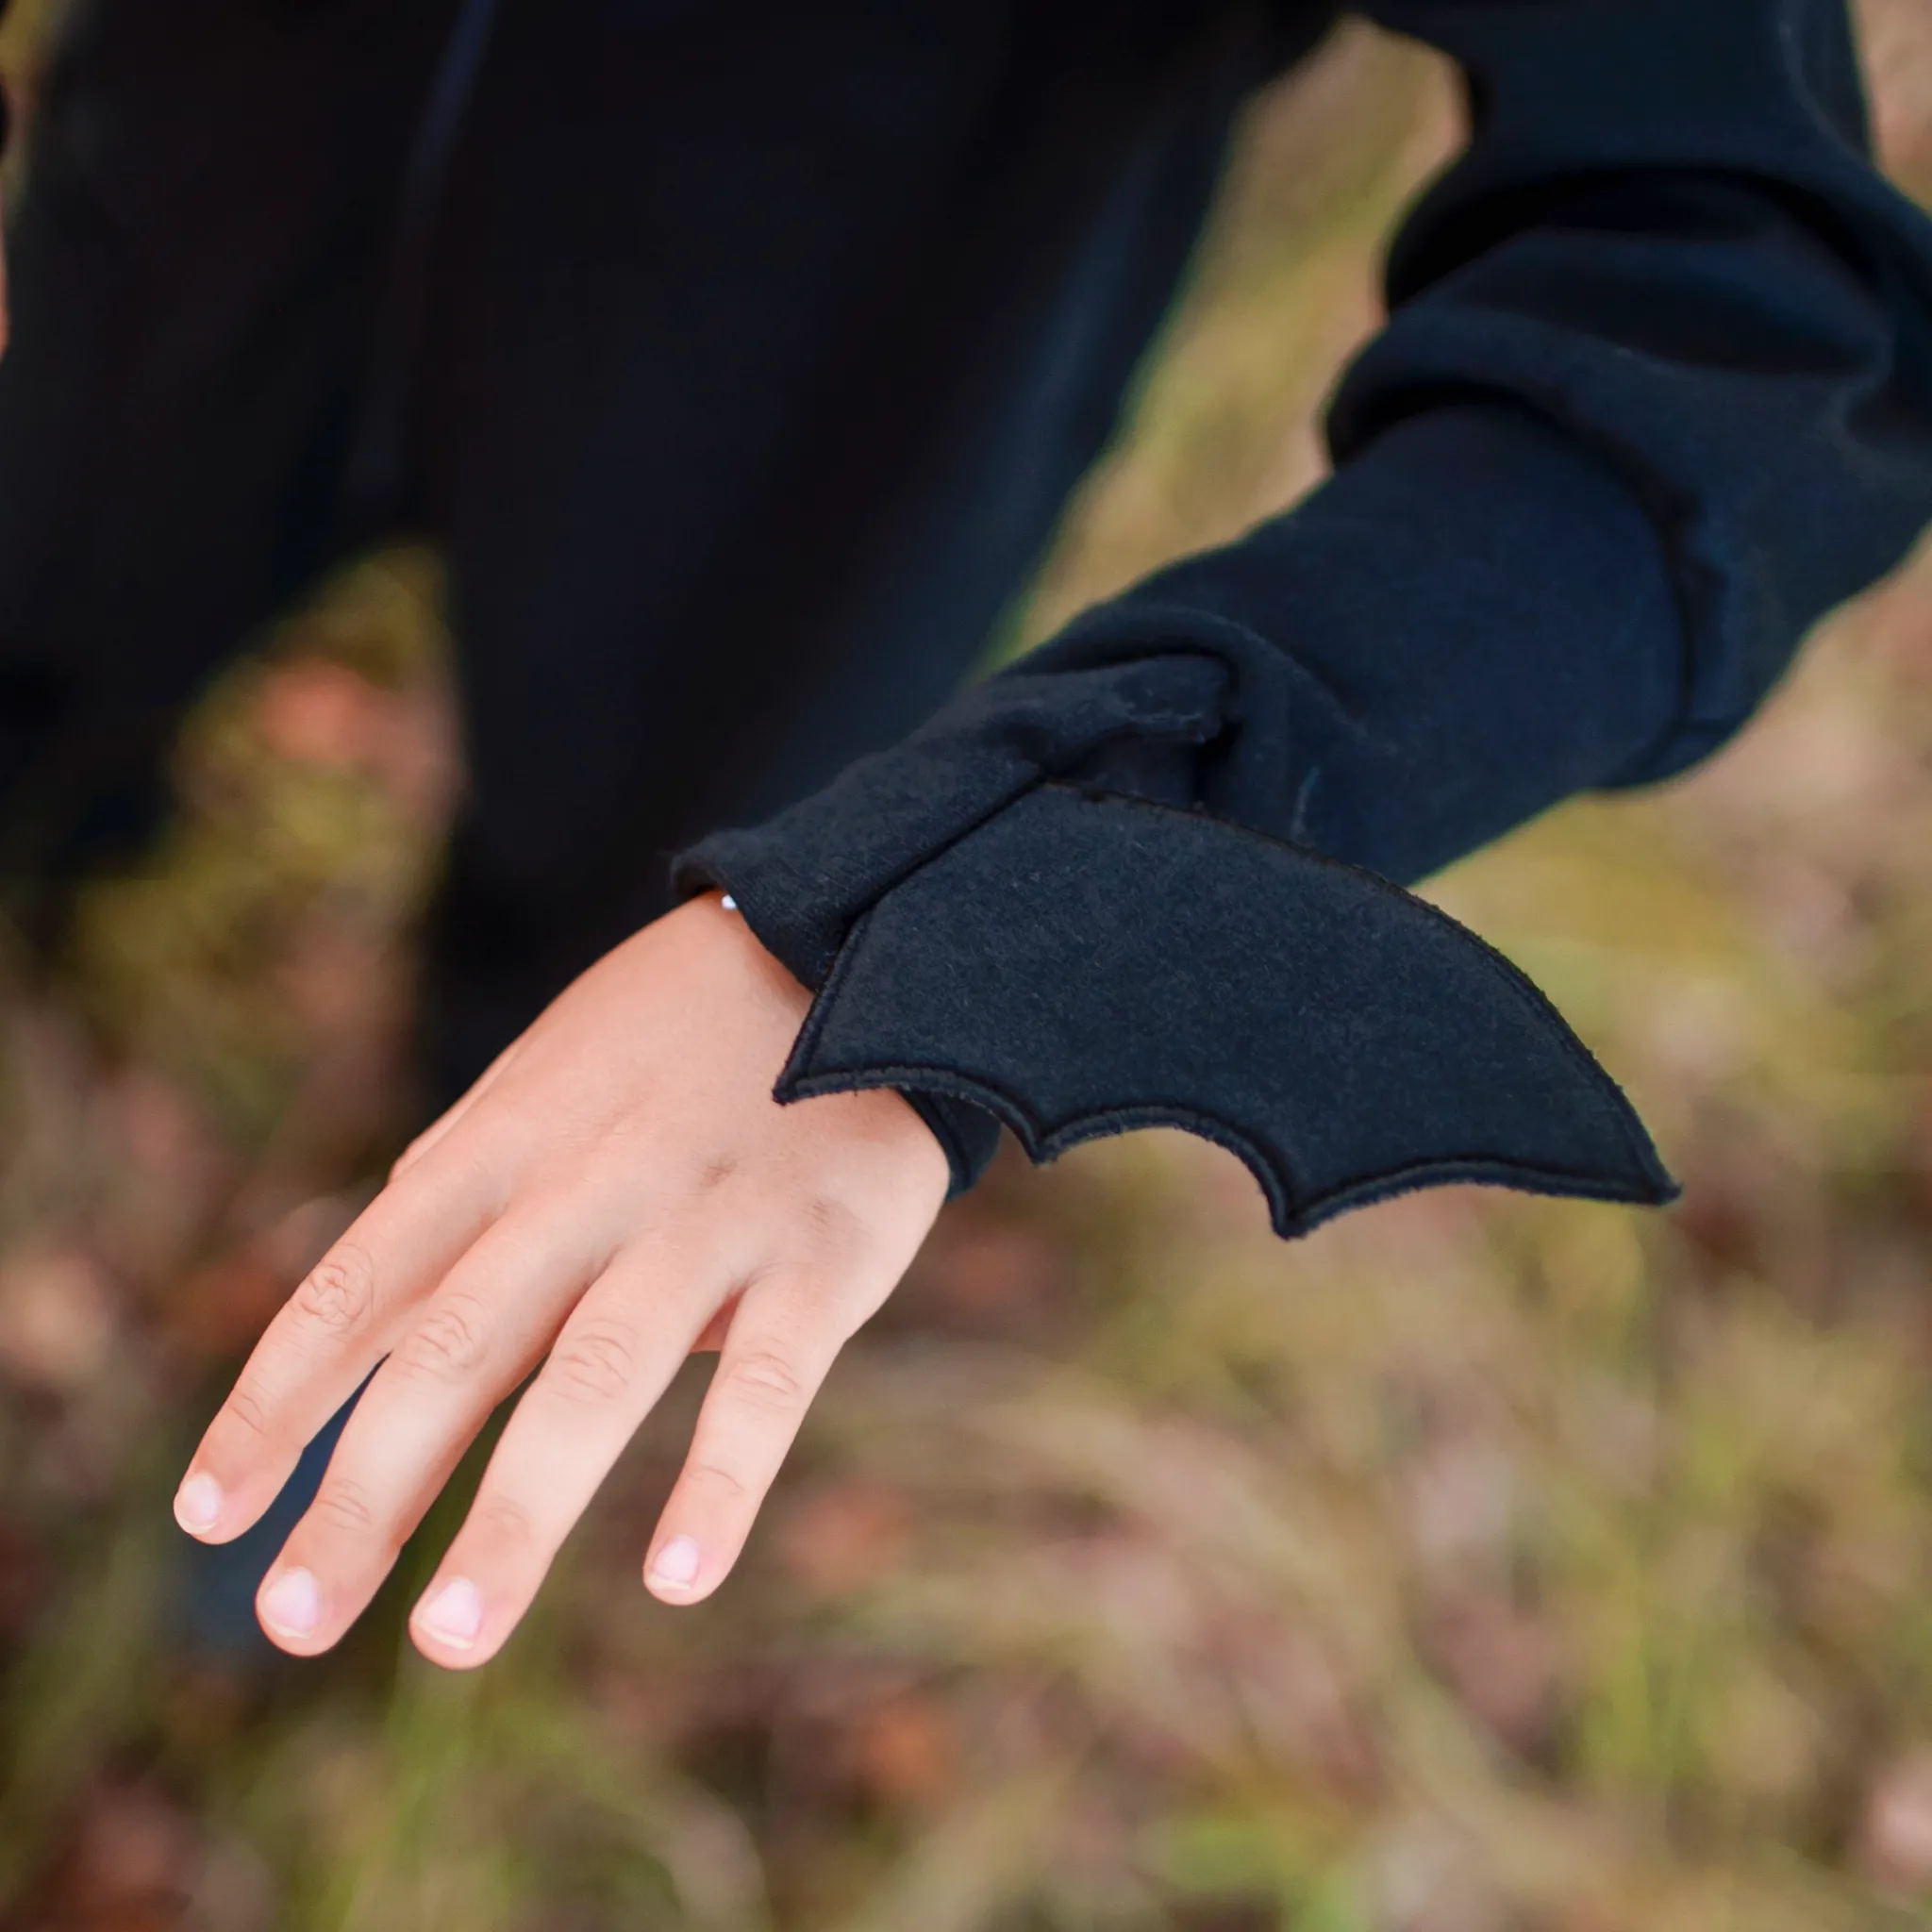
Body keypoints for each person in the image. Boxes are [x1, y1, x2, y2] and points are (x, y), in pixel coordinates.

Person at [0, 0, 1927, 1668]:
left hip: (810, 441)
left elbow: (1755, 322)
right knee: (51, 653)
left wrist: (963, 892)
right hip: (171, 205)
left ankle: (406, 1374)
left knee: (594, 967)